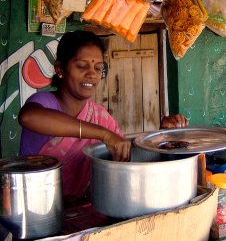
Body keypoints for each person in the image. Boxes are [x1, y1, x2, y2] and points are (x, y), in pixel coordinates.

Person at [18, 30, 188, 204]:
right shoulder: (44, 103)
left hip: (83, 212)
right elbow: (28, 118)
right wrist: (104, 135)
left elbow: (126, 157)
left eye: (98, 67)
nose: (92, 74)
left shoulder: (100, 117)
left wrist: (163, 137)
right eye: (82, 66)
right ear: (60, 69)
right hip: (40, 212)